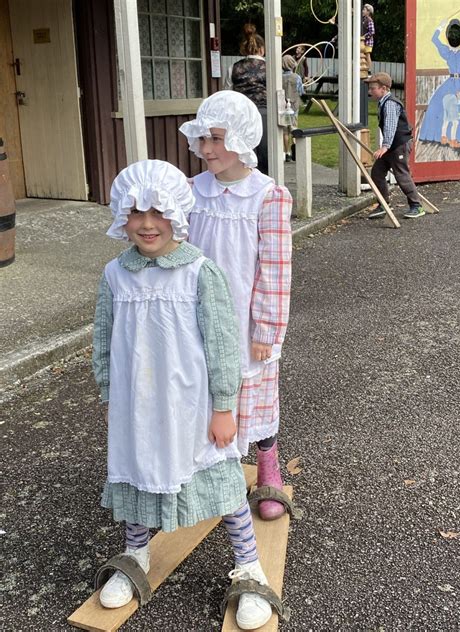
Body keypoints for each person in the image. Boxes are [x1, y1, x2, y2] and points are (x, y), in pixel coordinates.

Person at [92, 159, 274, 630]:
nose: (147, 224)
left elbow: (221, 344)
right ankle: (136, 554)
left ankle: (249, 564)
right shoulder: (115, 275)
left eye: (158, 212)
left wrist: (223, 408)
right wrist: (110, 397)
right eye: (136, 212)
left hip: (192, 405)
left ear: (176, 214)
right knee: (138, 470)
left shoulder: (198, 271)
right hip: (138, 405)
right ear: (121, 216)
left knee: (220, 479)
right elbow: (103, 340)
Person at [179, 91, 292, 521]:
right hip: (200, 316)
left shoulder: (267, 196)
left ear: (243, 138)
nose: (207, 149)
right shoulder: (192, 191)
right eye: (202, 138)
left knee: (255, 395)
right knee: (207, 394)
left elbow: (275, 268)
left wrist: (266, 329)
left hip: (246, 318)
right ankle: (213, 469)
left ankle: (267, 465)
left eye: (218, 138)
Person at [365, 72, 425, 220]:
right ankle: (384, 204)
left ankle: (416, 206)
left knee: (401, 174)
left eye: (373, 88)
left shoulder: (391, 103)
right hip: (391, 145)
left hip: (399, 144)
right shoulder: (383, 102)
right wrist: (386, 147)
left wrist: (384, 147)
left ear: (384, 88)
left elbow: (391, 126)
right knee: (377, 173)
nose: (369, 91)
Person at [419, 19, 460, 146]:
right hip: (449, 83)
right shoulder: (446, 52)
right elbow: (434, 39)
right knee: (435, 105)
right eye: (452, 35)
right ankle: (440, 137)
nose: (454, 38)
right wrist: (440, 27)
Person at [223, 23, 268, 175]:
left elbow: (227, 95)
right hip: (264, 113)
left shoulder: (233, 68)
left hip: (242, 116)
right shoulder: (269, 67)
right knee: (265, 154)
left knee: (244, 154)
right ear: (262, 49)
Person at [282, 55, 304, 162]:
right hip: (294, 106)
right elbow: (301, 91)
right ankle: (295, 151)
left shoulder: (279, 77)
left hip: (283, 106)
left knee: (285, 131)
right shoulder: (297, 77)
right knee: (294, 128)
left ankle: (287, 153)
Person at [361, 4, 375, 72]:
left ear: (368, 12)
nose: (362, 11)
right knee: (364, 55)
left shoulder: (369, 20)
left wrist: (364, 37)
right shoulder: (364, 19)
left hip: (368, 42)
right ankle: (365, 68)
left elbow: (372, 32)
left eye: (364, 10)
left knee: (367, 55)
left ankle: (369, 69)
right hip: (364, 41)